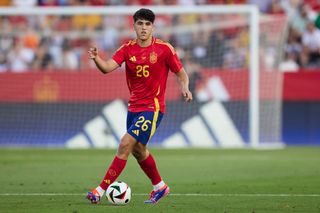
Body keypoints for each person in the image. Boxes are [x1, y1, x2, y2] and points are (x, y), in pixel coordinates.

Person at [86, 8, 193, 204]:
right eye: (140, 23)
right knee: (138, 150)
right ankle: (160, 186)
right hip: (133, 107)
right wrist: (96, 59)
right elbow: (107, 68)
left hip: (153, 107)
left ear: (153, 27)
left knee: (125, 144)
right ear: (134, 25)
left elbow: (181, 73)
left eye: (147, 24)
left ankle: (99, 190)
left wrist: (185, 87)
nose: (144, 28)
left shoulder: (164, 49)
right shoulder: (127, 48)